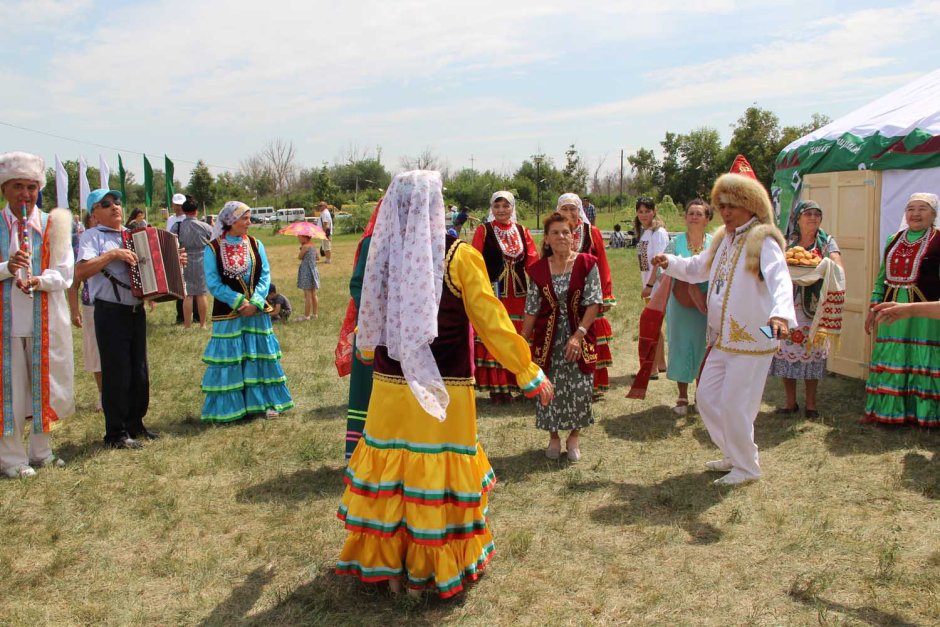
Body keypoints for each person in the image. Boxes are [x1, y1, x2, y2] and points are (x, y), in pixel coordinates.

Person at [336, 171, 553, 598]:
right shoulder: (458, 257)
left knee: (392, 470)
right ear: (436, 205)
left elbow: (368, 315)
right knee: (433, 472)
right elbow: (491, 321)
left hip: (389, 386)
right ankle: (427, 570)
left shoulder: (383, 251)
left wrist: (363, 352)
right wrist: (527, 371)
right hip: (443, 390)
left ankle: (391, 568)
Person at [651, 173, 796, 485]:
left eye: (732, 206)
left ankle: (747, 467)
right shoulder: (723, 239)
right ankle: (734, 454)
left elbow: (780, 277)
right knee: (706, 398)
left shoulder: (762, 239)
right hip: (722, 338)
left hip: (757, 337)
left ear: (750, 206)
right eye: (722, 206)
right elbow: (698, 268)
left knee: (735, 404)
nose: (726, 212)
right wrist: (671, 262)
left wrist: (782, 316)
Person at [77, 188, 175, 448]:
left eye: (117, 202)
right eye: (106, 204)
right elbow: (82, 270)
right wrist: (113, 254)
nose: (115, 207)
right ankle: (115, 433)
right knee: (116, 372)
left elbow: (153, 269)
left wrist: (175, 261)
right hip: (109, 312)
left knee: (139, 371)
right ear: (94, 213)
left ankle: (135, 423)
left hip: (135, 311)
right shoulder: (91, 235)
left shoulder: (134, 235)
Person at [0, 151, 74, 477]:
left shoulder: (52, 224)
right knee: (10, 392)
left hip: (44, 319)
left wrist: (38, 279)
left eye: (31, 187)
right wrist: (7, 267)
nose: (25, 194)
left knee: (44, 386)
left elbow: (65, 273)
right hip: (6, 325)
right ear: (5, 189)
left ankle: (42, 451)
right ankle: (12, 459)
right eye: (18, 186)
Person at [200, 201, 293, 423]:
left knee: (258, 356)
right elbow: (213, 283)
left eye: (249, 217)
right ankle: (232, 408)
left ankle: (266, 403)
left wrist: (256, 302)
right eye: (245, 218)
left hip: (257, 313)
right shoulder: (212, 248)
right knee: (231, 359)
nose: (249, 222)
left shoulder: (255, 244)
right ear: (231, 221)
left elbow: (265, 276)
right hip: (229, 313)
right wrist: (240, 302)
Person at [521, 213, 601, 461]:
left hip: (580, 334)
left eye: (565, 232)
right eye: (554, 233)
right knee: (549, 386)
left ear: (573, 236)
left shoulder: (587, 263)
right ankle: (554, 436)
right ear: (546, 239)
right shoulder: (537, 271)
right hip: (548, 339)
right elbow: (532, 308)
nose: (561, 237)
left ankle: (574, 436)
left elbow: (594, 303)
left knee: (580, 386)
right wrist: (522, 340)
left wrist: (579, 334)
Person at [862, 192, 939, 428]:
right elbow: (881, 277)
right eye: (911, 209)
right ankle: (889, 412)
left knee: (922, 357)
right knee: (892, 357)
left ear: (933, 214)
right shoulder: (893, 239)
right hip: (891, 309)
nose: (915, 213)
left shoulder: (939, 240)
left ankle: (924, 415)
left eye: (922, 209)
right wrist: (873, 307)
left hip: (924, 312)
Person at [769, 200, 843, 418]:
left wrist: (820, 266)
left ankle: (811, 404)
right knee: (785, 351)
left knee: (814, 353)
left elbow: (837, 268)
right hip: (788, 306)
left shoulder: (827, 242)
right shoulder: (787, 242)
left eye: (817, 214)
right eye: (808, 214)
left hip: (814, 307)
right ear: (798, 218)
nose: (813, 218)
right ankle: (790, 402)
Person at [471, 191, 539, 403]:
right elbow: (475, 261)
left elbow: (533, 262)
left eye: (505, 206)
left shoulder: (522, 231)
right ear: (491, 208)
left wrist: (543, 285)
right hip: (494, 293)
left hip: (519, 295)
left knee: (518, 337)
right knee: (497, 335)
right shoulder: (484, 230)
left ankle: (520, 381)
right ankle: (498, 388)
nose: (501, 210)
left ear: (512, 208)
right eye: (497, 206)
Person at [554, 193, 616, 395]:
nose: (569, 212)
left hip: (588, 292)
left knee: (587, 333)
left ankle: (592, 384)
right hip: (562, 293)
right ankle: (565, 381)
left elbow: (603, 262)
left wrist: (605, 293)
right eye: (565, 208)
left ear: (580, 210)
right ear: (558, 210)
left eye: (573, 208)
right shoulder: (554, 231)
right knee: (563, 333)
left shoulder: (591, 231)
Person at [337, 200, 382, 461]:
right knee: (369, 387)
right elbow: (358, 284)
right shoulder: (371, 242)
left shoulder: (418, 240)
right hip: (374, 327)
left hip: (407, 331)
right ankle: (364, 453)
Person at [663, 199, 713, 415]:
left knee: (705, 347)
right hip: (680, 302)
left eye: (699, 213)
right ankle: (682, 396)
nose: (694, 216)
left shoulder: (715, 243)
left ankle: (701, 396)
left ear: (707, 219)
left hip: (707, 304)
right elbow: (662, 268)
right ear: (685, 217)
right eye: (690, 213)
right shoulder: (675, 242)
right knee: (681, 345)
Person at [67, 210, 103, 411]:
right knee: (95, 352)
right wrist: (74, 311)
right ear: (89, 220)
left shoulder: (121, 238)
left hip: (118, 307)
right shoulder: (82, 245)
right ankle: (102, 394)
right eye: (95, 216)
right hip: (92, 306)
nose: (99, 220)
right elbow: (74, 283)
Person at [636, 197, 669, 377]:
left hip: (656, 286)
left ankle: (653, 369)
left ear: (654, 211)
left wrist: (649, 285)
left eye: (647, 211)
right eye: (640, 211)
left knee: (652, 326)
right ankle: (661, 363)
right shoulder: (645, 232)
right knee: (656, 326)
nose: (643, 215)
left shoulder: (659, 232)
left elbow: (660, 260)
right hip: (649, 284)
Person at [171, 197, 212, 329]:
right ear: (196, 211)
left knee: (187, 294)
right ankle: (203, 324)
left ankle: (187, 325)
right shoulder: (205, 226)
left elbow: (171, 242)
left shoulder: (177, 226)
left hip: (184, 259)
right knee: (201, 293)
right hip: (201, 259)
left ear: (183, 210)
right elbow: (215, 240)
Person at [167, 193, 187, 324]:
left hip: (188, 253)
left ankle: (195, 313)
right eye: (176, 205)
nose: (178, 207)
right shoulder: (170, 219)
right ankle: (180, 315)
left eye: (180, 205)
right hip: (175, 253)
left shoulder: (188, 218)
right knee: (179, 285)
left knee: (191, 285)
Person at [295, 234, 319, 321]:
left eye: (300, 237)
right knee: (313, 293)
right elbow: (318, 257)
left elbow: (299, 257)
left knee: (307, 294)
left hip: (306, 271)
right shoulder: (313, 246)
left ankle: (306, 316)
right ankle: (315, 314)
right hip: (313, 270)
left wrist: (302, 249)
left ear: (305, 237)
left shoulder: (305, 246)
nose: (298, 238)